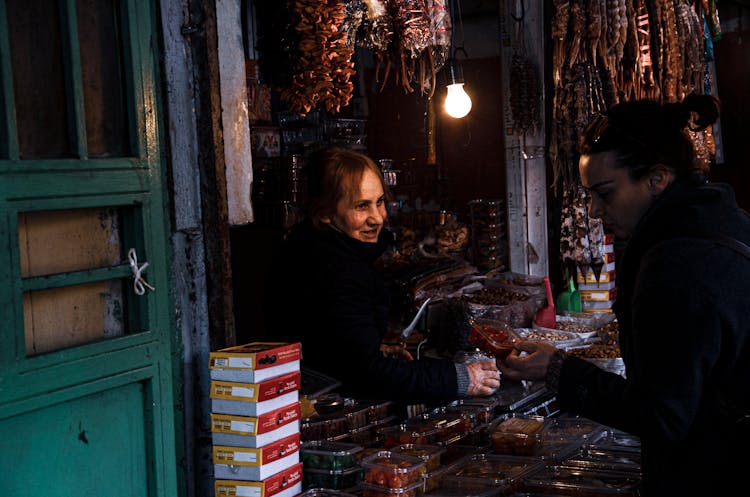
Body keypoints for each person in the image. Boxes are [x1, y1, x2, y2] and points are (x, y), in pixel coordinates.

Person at [499, 94, 750, 496]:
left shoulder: (677, 266)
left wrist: (559, 371)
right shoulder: (724, 221)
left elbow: (662, 415)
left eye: (605, 193)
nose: (596, 211)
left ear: (657, 179)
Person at [266, 146, 500, 411]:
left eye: (379, 202)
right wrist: (462, 378)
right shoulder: (336, 268)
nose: (377, 218)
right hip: (322, 410)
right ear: (324, 212)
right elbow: (369, 375)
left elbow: (329, 345)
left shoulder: (313, 246)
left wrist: (369, 346)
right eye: (361, 206)